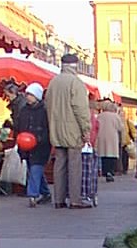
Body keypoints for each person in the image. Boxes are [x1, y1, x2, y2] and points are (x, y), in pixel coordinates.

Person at [45, 53, 91, 209]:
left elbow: (47, 106)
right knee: (74, 165)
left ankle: (58, 199)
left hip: (56, 129)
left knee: (59, 164)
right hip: (72, 129)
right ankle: (75, 200)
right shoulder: (76, 82)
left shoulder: (53, 82)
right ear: (75, 66)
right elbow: (81, 109)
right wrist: (86, 129)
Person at [16, 82, 52, 208]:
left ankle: (32, 195)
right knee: (34, 170)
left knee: (35, 169)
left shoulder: (45, 111)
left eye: (30, 94)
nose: (27, 97)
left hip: (40, 146)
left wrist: (40, 138)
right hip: (26, 145)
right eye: (27, 94)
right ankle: (45, 192)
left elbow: (48, 129)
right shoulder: (24, 110)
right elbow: (19, 126)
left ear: (37, 96)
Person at [95, 100, 123, 182]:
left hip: (102, 137)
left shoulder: (100, 116)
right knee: (112, 155)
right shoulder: (115, 116)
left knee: (104, 155)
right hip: (112, 137)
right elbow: (120, 127)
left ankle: (105, 171)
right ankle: (110, 171)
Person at [81, 95, 100, 206]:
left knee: (82, 172)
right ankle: (90, 193)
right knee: (90, 172)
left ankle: (83, 193)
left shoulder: (82, 115)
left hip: (81, 146)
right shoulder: (93, 116)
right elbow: (96, 129)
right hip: (89, 147)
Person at [119, 107, 137, 176]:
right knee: (123, 156)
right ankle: (122, 169)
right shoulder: (119, 121)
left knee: (125, 156)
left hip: (126, 141)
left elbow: (132, 130)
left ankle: (124, 169)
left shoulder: (127, 121)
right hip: (121, 141)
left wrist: (134, 138)